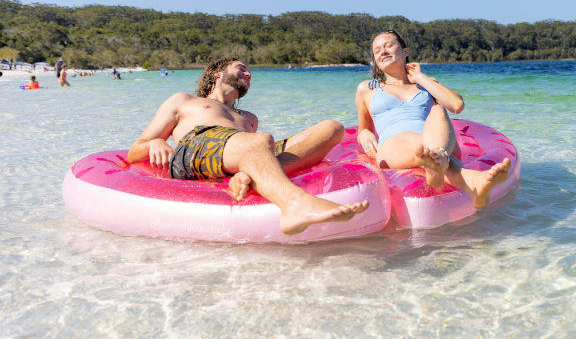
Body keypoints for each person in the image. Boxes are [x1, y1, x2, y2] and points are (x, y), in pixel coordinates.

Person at [128, 57, 368, 235]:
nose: (248, 74)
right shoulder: (185, 101)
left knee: (332, 128)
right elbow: (135, 149)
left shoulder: (249, 118)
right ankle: (294, 205)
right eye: (241, 68)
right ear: (216, 73)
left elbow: (254, 146)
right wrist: (156, 142)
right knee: (260, 139)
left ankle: (249, 176)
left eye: (250, 72)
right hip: (198, 146)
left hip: (241, 151)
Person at [355, 30, 511, 209]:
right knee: (416, 142)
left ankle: (434, 165)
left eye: (388, 45)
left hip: (439, 142)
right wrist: (365, 134)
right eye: (377, 50)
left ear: (405, 51)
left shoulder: (426, 84)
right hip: (394, 146)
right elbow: (363, 129)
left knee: (438, 110)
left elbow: (456, 105)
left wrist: (421, 78)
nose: (382, 51)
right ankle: (471, 180)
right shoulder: (367, 89)